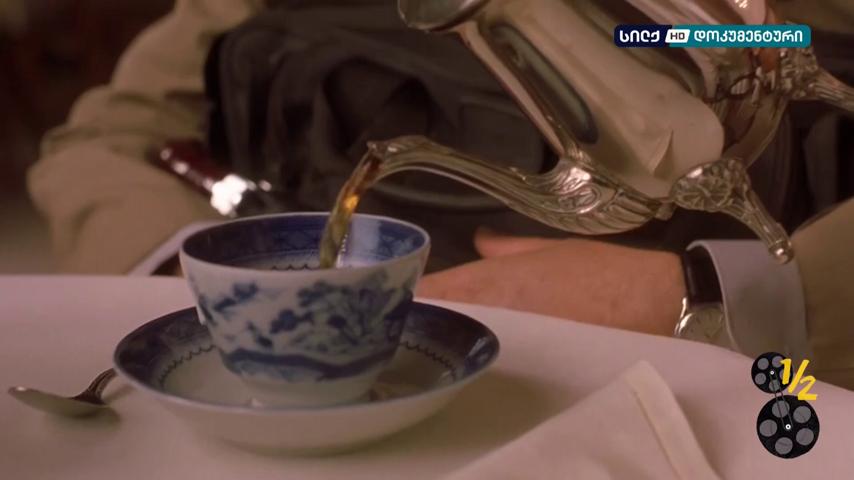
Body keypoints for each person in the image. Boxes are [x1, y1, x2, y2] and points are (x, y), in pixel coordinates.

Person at [28, 0, 854, 389]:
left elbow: (774, 46)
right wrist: (205, 298)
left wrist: (706, 297)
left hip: (761, 384)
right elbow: (105, 140)